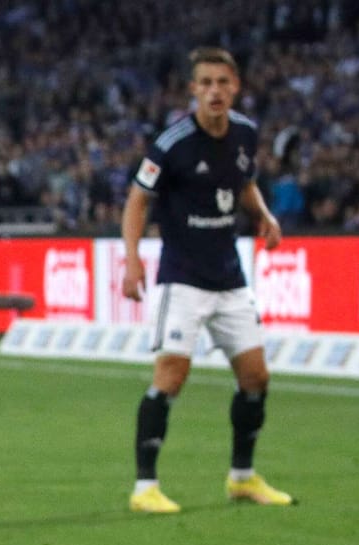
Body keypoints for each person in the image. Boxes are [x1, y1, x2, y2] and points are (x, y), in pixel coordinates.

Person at [121, 46, 291, 513]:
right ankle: (145, 487)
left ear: (235, 87)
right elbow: (138, 199)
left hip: (229, 278)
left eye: (223, 83)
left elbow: (244, 182)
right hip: (184, 279)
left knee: (256, 377)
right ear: (193, 90)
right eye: (206, 83)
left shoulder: (245, 134)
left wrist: (264, 215)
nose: (215, 91)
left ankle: (242, 478)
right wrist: (132, 259)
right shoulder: (172, 143)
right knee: (172, 375)